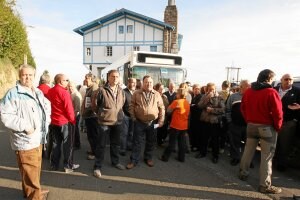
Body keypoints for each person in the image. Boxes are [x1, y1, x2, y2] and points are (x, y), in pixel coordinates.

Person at [0, 64, 51, 200]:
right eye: (24, 75)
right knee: (30, 172)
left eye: (30, 75)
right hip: (26, 141)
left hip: (38, 139)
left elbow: (47, 106)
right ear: (19, 76)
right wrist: (26, 127)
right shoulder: (13, 93)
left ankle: (32, 192)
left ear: (34, 76)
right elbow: (5, 115)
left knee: (32, 172)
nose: (27, 77)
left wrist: (47, 121)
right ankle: (34, 196)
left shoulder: (37, 92)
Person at [239, 69, 283, 194]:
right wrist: (277, 127)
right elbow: (278, 113)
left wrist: (249, 119)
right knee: (267, 156)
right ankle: (264, 185)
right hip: (266, 127)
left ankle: (242, 173)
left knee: (248, 150)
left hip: (251, 125)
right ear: (269, 79)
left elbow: (243, 108)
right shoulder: (271, 92)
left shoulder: (249, 91)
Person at [126, 75, 165, 169]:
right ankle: (134, 160)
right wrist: (134, 118)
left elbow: (161, 108)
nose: (149, 84)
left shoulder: (156, 94)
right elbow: (131, 106)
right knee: (137, 142)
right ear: (143, 83)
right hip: (139, 122)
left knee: (151, 141)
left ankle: (148, 158)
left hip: (153, 123)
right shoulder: (136, 93)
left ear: (153, 83)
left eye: (150, 82)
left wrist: (161, 120)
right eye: (146, 82)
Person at [93, 70, 126, 178]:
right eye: (113, 76)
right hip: (104, 122)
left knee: (116, 144)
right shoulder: (101, 90)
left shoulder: (121, 91)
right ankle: (97, 167)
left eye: (117, 76)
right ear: (108, 78)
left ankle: (115, 162)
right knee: (101, 145)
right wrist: (101, 114)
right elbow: (95, 105)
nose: (115, 78)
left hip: (118, 122)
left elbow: (123, 104)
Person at [47, 74, 80, 173]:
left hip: (54, 121)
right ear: (60, 81)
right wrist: (73, 121)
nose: (67, 82)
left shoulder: (50, 91)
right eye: (66, 80)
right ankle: (68, 166)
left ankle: (54, 164)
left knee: (56, 144)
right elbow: (69, 109)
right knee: (68, 145)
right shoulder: (65, 92)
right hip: (65, 122)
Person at [274, 74, 300, 171]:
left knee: (285, 144)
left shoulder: (297, 91)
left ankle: (281, 164)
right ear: (281, 80)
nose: (288, 81)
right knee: (273, 143)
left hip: (288, 122)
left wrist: (295, 119)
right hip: (274, 121)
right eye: (286, 79)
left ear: (293, 81)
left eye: (290, 79)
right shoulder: (274, 89)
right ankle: (271, 162)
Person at [197, 82, 225, 163]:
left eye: (212, 89)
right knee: (204, 138)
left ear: (215, 89)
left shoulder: (219, 97)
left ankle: (215, 156)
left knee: (215, 140)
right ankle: (202, 153)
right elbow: (199, 106)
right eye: (209, 89)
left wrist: (212, 110)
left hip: (214, 122)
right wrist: (206, 98)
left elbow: (223, 110)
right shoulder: (204, 96)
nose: (211, 91)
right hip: (205, 121)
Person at [160, 88, 190, 162]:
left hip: (176, 125)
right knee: (181, 143)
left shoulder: (176, 102)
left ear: (179, 94)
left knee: (172, 143)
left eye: (177, 93)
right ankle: (181, 158)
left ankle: (165, 157)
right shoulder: (187, 102)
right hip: (184, 126)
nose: (176, 94)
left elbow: (168, 110)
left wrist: (173, 109)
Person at [225, 80, 250, 166]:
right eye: (247, 86)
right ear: (241, 87)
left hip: (248, 125)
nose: (249, 87)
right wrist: (230, 122)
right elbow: (227, 110)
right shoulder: (233, 97)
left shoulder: (252, 97)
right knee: (235, 143)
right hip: (235, 125)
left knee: (249, 144)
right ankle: (235, 158)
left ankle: (248, 160)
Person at [81, 73, 99, 160]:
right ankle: (93, 150)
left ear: (92, 79)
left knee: (93, 135)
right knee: (90, 135)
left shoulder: (94, 88)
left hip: (92, 116)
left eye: (87, 79)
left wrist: (85, 112)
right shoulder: (90, 88)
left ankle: (95, 153)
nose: (85, 80)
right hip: (89, 116)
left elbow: (93, 104)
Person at [120, 78, 136, 156]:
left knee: (131, 133)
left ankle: (129, 146)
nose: (134, 84)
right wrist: (122, 114)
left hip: (133, 116)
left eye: (135, 83)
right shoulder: (123, 92)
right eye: (132, 82)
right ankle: (122, 149)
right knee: (124, 133)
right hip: (125, 116)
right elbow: (120, 104)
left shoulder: (135, 92)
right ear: (128, 83)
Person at [68, 81, 83, 150]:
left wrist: (73, 116)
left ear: (74, 86)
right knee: (73, 130)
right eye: (69, 86)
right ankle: (74, 143)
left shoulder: (76, 94)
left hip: (75, 115)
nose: (70, 88)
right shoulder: (71, 93)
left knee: (75, 130)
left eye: (71, 86)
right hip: (71, 115)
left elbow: (77, 108)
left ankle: (77, 144)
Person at [189, 84, 203, 152]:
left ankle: (196, 146)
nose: (197, 90)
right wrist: (192, 105)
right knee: (192, 131)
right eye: (195, 89)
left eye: (198, 89)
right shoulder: (192, 96)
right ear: (193, 89)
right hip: (192, 117)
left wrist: (192, 106)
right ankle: (192, 144)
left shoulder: (200, 96)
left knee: (197, 132)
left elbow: (198, 106)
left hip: (198, 117)